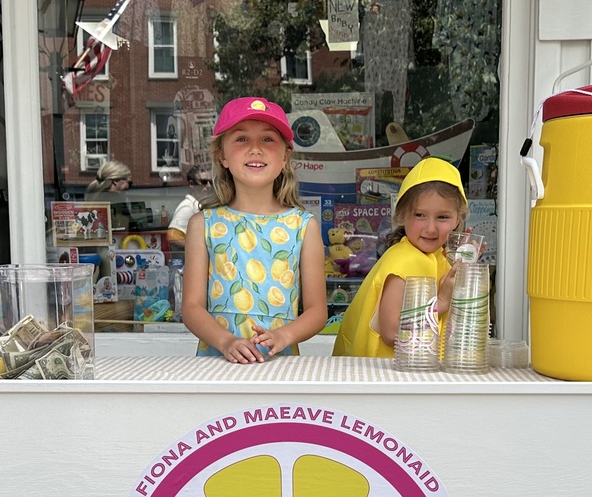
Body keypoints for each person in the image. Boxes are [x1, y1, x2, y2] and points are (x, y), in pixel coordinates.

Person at [181, 97, 326, 362]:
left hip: (279, 363)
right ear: (221, 156)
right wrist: (225, 341)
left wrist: (284, 336)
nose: (255, 149)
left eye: (268, 139)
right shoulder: (202, 224)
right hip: (217, 362)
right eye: (241, 139)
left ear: (285, 157)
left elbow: (317, 311)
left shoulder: (304, 226)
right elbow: (191, 307)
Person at [332, 157, 468, 358]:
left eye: (442, 217)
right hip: (385, 380)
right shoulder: (404, 260)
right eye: (420, 215)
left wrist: (467, 262)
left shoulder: (434, 255)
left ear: (458, 218)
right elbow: (392, 331)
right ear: (402, 215)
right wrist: (442, 302)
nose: (431, 228)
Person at [167, 163, 213, 247]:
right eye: (204, 182)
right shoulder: (187, 207)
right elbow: (173, 237)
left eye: (210, 182)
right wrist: (196, 251)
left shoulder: (200, 205)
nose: (209, 186)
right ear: (191, 184)